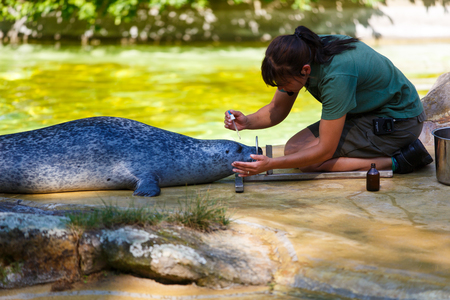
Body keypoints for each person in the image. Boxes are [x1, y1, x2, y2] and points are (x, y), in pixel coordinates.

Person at [225, 25, 433, 177]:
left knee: (310, 163)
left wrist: (271, 164)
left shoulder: (336, 77)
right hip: (367, 112)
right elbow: (277, 108)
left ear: (305, 70)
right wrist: (247, 122)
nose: (282, 89)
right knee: (293, 149)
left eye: (284, 84)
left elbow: (324, 149)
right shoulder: (303, 52)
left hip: (398, 121)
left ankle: (400, 161)